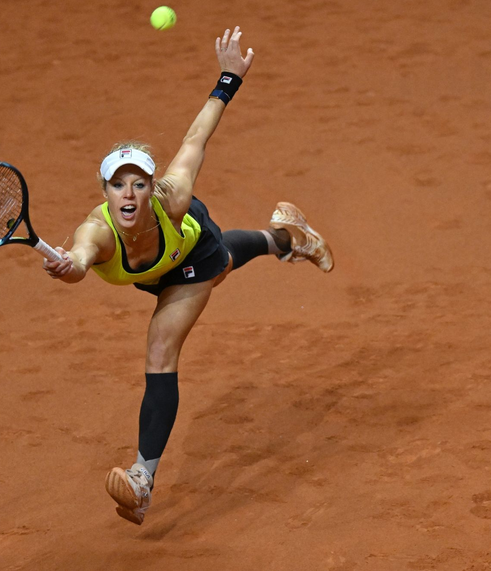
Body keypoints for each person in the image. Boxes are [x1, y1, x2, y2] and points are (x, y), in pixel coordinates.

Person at [43, 26, 334, 525]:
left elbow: (196, 136)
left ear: (151, 185)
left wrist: (227, 78)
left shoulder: (171, 198)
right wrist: (68, 266)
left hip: (190, 248)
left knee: (165, 341)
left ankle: (141, 479)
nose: (129, 193)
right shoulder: (96, 231)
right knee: (224, 268)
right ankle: (286, 238)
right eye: (118, 185)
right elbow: (81, 262)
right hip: (153, 270)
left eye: (138, 182)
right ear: (106, 192)